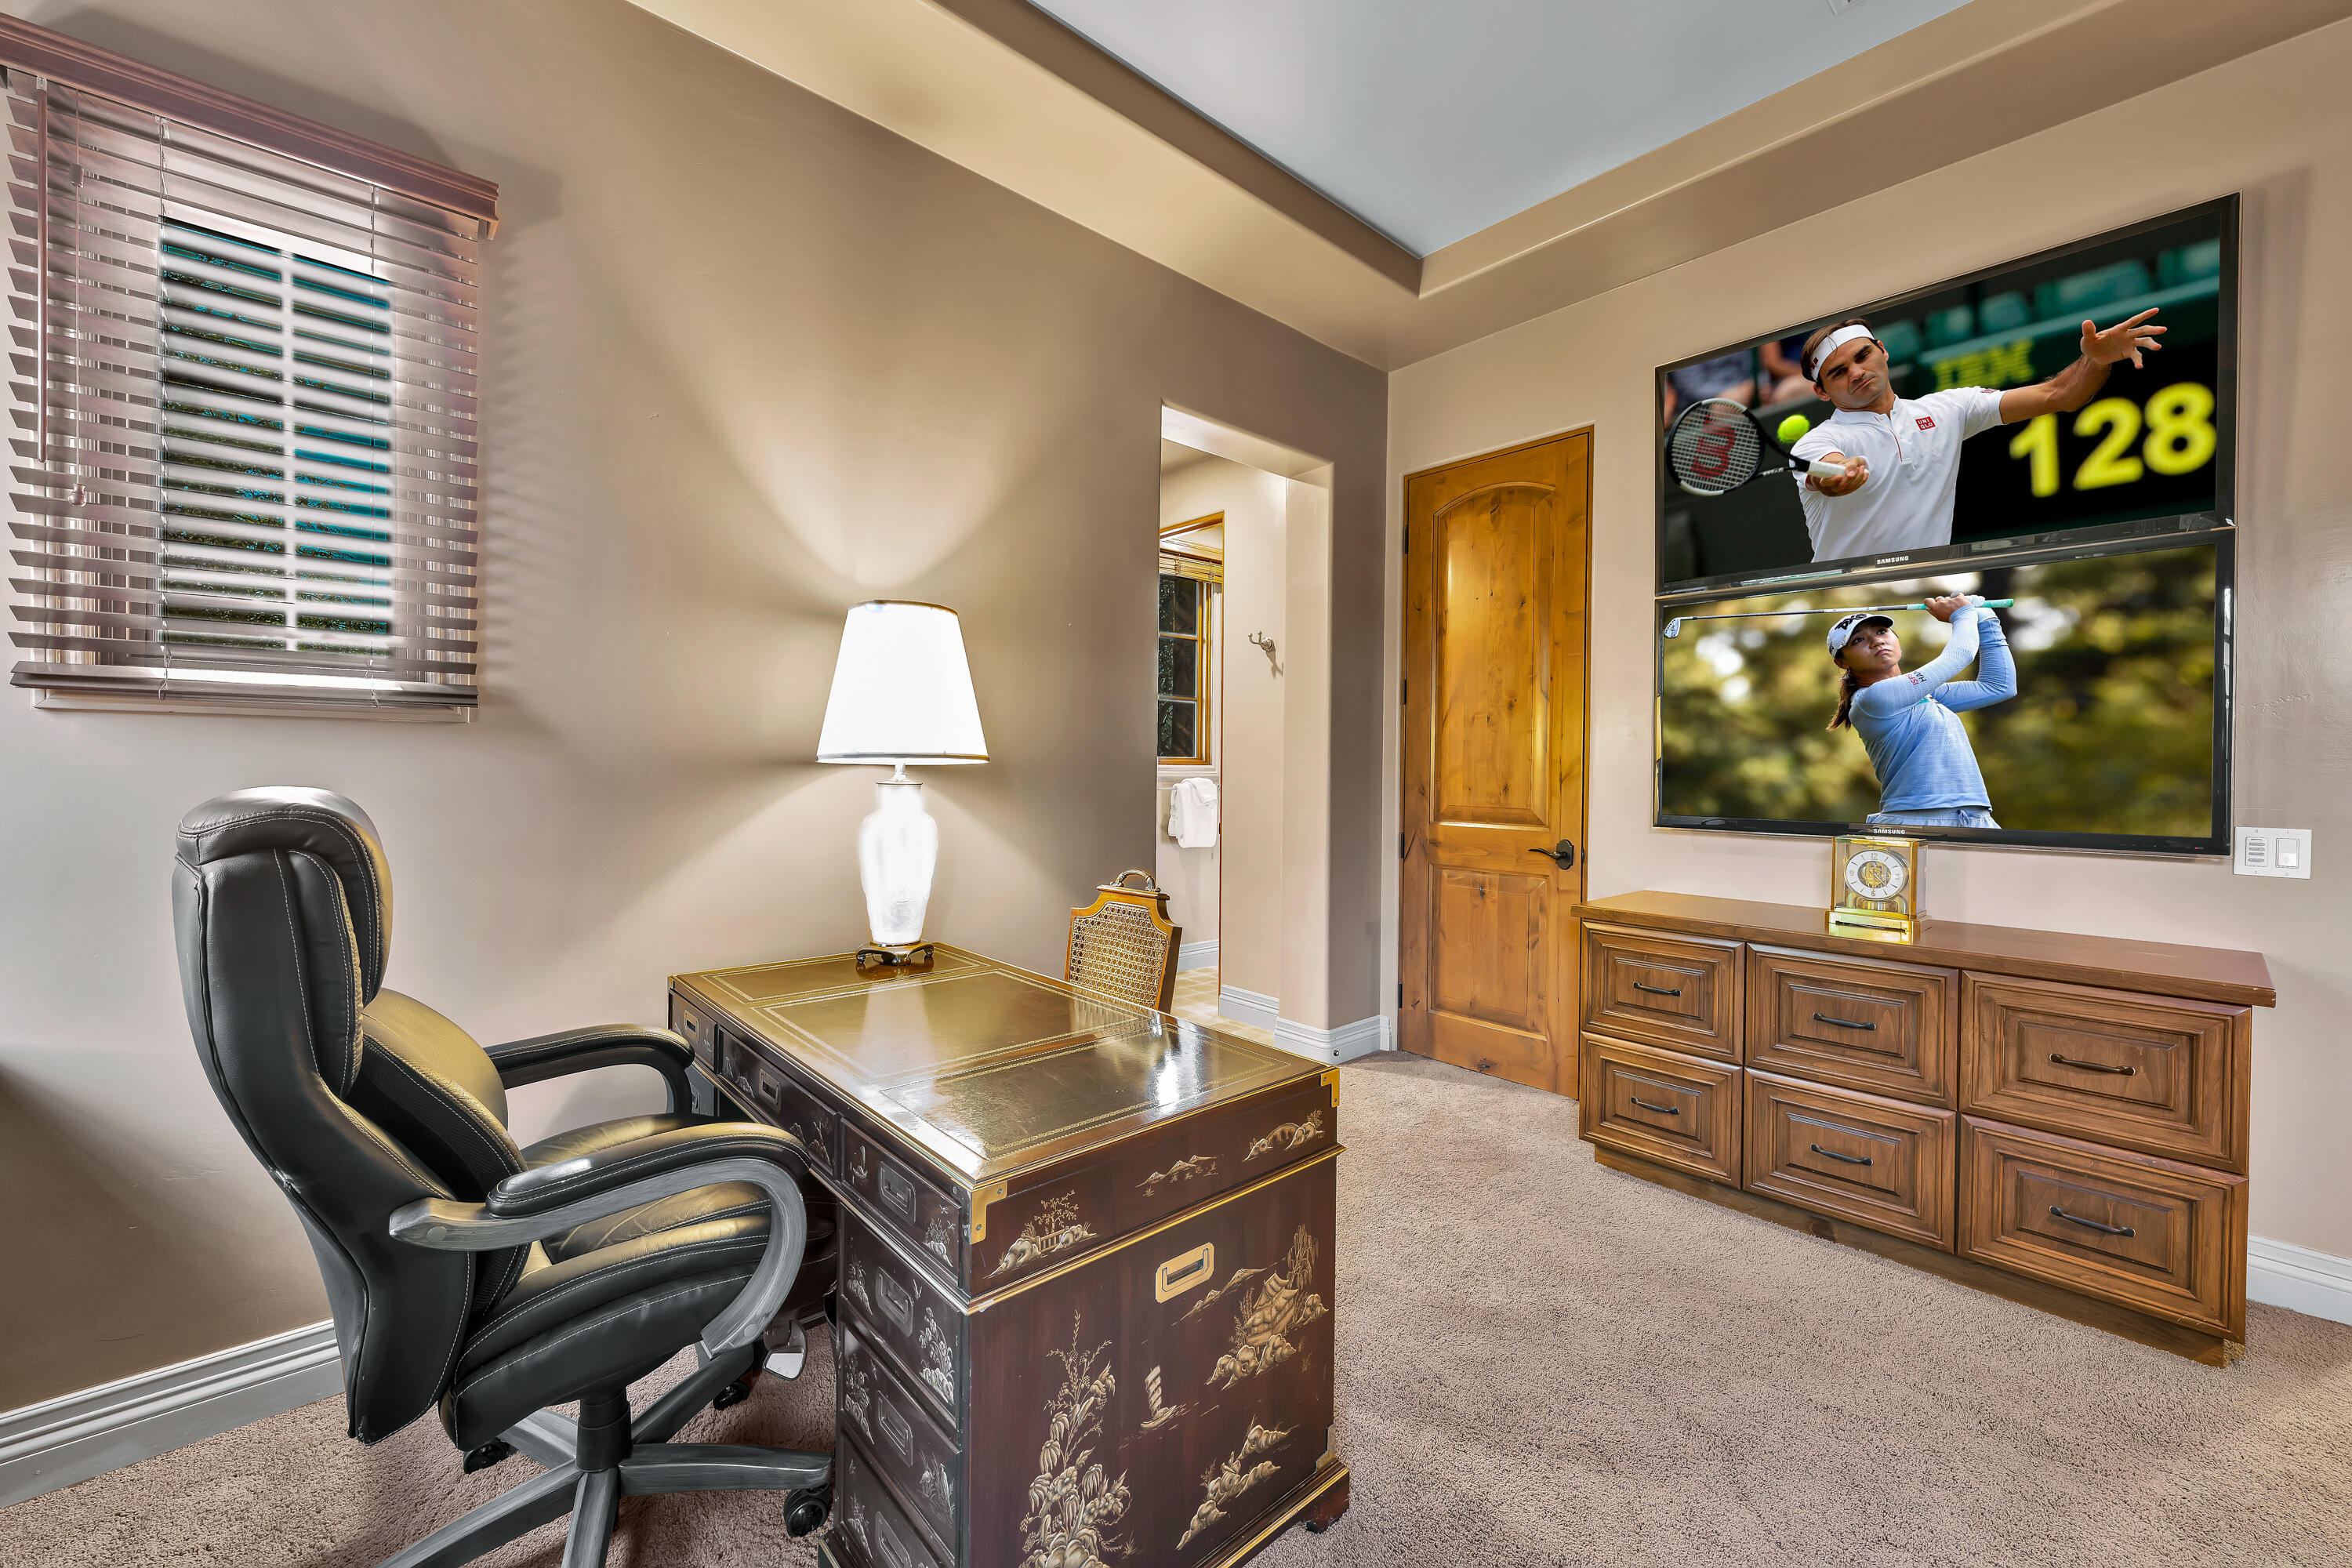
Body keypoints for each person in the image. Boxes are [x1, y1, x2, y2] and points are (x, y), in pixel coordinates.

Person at [1790, 308, 2165, 563]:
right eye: (1838, 372)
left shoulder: (1948, 408)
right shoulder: (1818, 442)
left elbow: (2061, 396)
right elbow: (1828, 472)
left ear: (1883, 351)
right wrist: (1840, 474)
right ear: (1822, 392)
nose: (1856, 372)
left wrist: (2095, 360)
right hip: (1845, 589)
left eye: (1862, 356)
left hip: (1926, 581)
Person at [1825, 595, 2015, 829]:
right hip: (1916, 820)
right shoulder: (1873, 699)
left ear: (1897, 641)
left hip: (1975, 817)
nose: (1876, 642)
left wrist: (1985, 617)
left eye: (1882, 632)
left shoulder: (1926, 695)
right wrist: (1963, 614)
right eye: (1858, 640)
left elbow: (1998, 686)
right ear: (1842, 663)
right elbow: (1959, 656)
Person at [1662, 347, 1756, 423]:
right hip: (1701, 410)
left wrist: (1754, 386)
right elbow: (1694, 388)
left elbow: (1753, 368)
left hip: (1746, 390)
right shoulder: (1682, 343)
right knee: (1725, 405)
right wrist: (1733, 394)